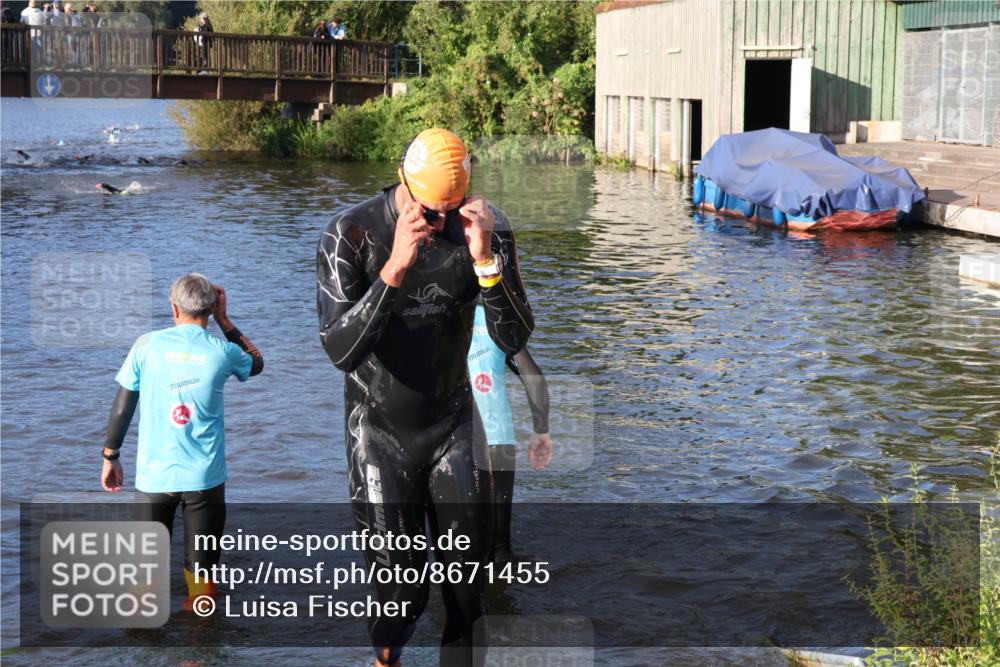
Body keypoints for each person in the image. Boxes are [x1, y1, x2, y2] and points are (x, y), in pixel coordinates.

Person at [316, 128, 533, 667]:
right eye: (431, 212)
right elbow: (340, 350)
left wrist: (485, 261)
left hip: (453, 425)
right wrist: (394, 268)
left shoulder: (487, 230)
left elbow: (515, 338)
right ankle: (385, 660)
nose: (441, 224)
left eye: (452, 210)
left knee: (466, 591)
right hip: (379, 433)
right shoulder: (352, 233)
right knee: (402, 596)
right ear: (405, 185)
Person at [101, 273, 263, 611]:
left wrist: (110, 455)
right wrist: (225, 320)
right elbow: (257, 363)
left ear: (174, 308)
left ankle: (144, 642)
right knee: (202, 576)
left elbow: (124, 404)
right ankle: (199, 652)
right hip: (205, 479)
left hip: (154, 479)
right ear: (210, 308)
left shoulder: (146, 345)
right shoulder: (224, 351)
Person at [467, 302, 552, 562]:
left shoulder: (430, 312)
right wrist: (541, 431)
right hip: (498, 438)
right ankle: (504, 594)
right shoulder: (496, 318)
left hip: (452, 439)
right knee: (500, 548)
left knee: (456, 541)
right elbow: (533, 379)